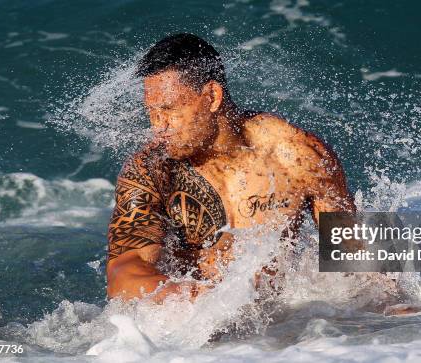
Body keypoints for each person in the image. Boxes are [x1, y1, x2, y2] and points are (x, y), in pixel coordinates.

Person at [106, 33, 369, 304]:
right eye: (152, 112)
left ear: (212, 96)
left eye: (170, 110)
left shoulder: (296, 155)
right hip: (186, 332)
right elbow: (121, 273)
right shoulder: (152, 169)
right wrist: (197, 298)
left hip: (278, 329)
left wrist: (400, 321)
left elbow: (360, 259)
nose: (158, 126)